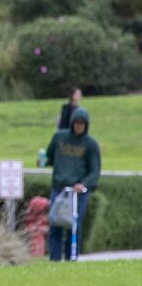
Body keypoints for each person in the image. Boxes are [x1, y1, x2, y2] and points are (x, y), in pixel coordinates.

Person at [42, 107, 100, 262]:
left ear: (86, 125)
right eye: (76, 123)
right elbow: (49, 157)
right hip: (59, 188)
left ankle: (71, 258)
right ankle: (54, 259)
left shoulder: (91, 144)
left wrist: (84, 184)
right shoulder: (59, 138)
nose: (79, 126)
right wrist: (43, 161)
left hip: (77, 191)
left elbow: (95, 170)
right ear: (72, 123)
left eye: (82, 124)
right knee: (56, 222)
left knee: (73, 225)